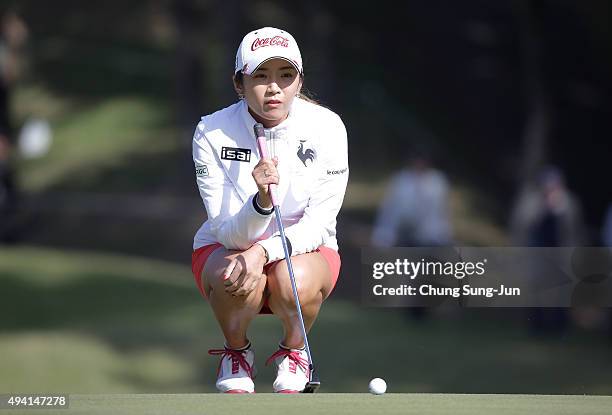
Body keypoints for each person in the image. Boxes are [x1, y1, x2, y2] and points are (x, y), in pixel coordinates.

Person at [191, 27, 349, 393]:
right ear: (239, 83)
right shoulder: (211, 132)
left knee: (293, 279)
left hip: (306, 253)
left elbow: (319, 224)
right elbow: (227, 232)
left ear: (299, 82)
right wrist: (261, 202)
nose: (274, 88)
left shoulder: (328, 127)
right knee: (233, 273)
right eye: (260, 76)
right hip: (228, 248)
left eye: (285, 76)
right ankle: (236, 352)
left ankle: (294, 351)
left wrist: (263, 251)